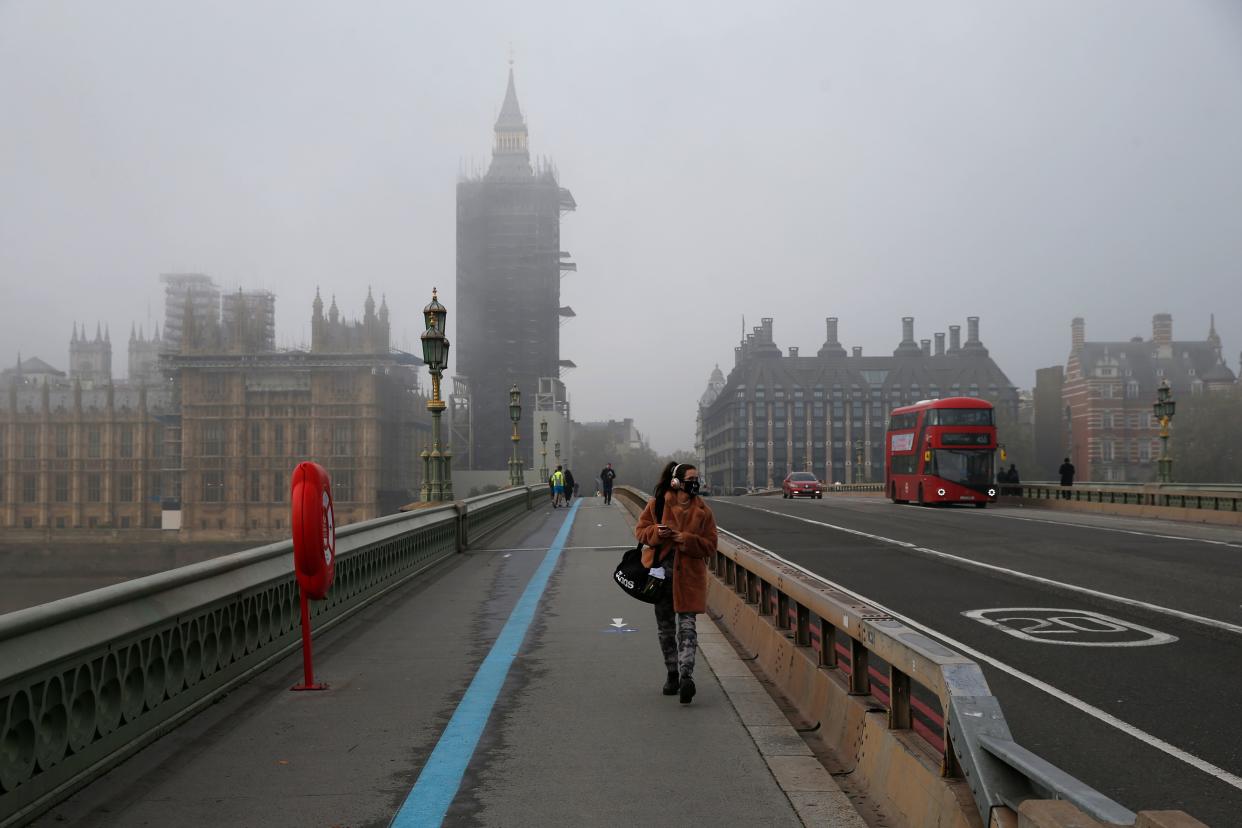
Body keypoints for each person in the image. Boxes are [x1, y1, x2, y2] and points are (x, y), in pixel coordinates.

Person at [634, 462, 718, 704]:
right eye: (691, 478)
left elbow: (711, 546)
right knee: (666, 630)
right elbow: (640, 531)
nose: (695, 483)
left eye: (697, 478)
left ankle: (686, 677)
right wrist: (656, 534)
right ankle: (671, 672)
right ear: (676, 481)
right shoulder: (658, 504)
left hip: (690, 577)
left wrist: (686, 539)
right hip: (659, 577)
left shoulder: (704, 511)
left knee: (688, 628)